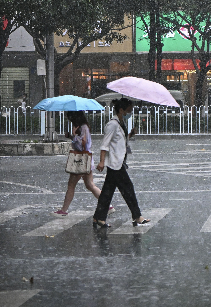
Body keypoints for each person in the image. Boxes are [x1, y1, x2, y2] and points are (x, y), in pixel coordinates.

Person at [92, 98, 150, 229]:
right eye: (129, 109)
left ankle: (98, 217)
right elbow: (105, 144)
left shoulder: (120, 123)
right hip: (115, 164)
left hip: (118, 163)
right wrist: (101, 161)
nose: (130, 112)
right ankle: (137, 216)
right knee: (128, 188)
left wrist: (130, 135)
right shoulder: (112, 124)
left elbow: (119, 142)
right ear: (121, 110)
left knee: (107, 192)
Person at [53, 111, 113, 217]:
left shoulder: (83, 127)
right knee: (90, 185)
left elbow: (83, 144)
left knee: (71, 185)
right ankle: (108, 205)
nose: (70, 120)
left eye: (70, 118)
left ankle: (63, 210)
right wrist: (71, 137)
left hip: (80, 160)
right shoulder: (83, 127)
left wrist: (74, 135)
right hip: (87, 161)